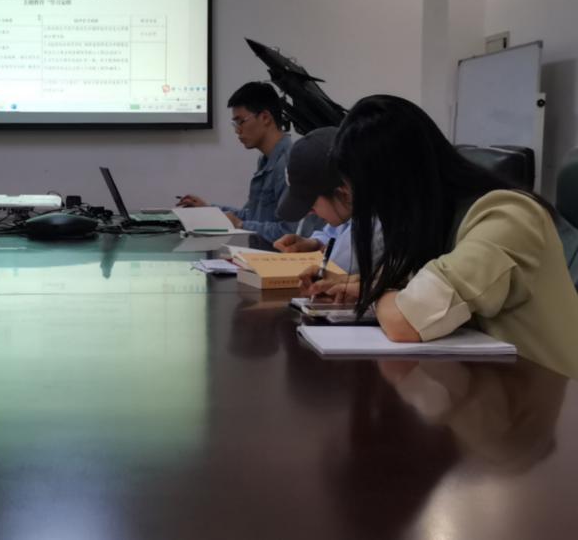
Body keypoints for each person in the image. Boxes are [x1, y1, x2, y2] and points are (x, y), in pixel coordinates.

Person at [310, 95, 578, 367]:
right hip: (494, 379)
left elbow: (405, 321)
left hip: (549, 387)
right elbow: (419, 281)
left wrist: (377, 293)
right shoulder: (442, 221)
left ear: (399, 188)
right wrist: (364, 284)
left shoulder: (506, 218)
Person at [177, 82, 295, 243]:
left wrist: (240, 225)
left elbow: (290, 233)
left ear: (265, 117)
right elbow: (252, 215)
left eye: (241, 121)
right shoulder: (265, 160)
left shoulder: (288, 164)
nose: (237, 130)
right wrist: (209, 210)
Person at [272, 126, 375, 273]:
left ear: (344, 194)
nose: (309, 213)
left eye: (311, 205)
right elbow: (333, 232)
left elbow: (335, 266)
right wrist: (315, 243)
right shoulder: (353, 205)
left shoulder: (371, 228)